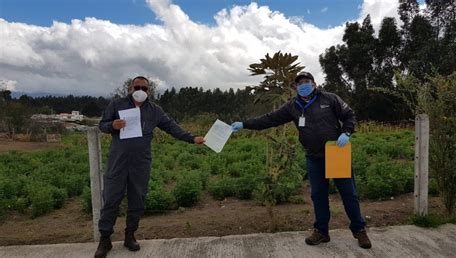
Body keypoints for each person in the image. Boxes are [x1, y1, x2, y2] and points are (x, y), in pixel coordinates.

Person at [231, 71, 371, 249]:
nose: (303, 85)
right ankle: (321, 232)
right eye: (299, 83)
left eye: (306, 81)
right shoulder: (293, 106)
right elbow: (270, 119)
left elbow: (349, 115)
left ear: (314, 83)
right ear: (295, 87)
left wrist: (347, 132)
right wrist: (244, 124)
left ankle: (359, 231)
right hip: (314, 157)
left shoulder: (330, 99)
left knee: (348, 194)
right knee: (318, 196)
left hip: (336, 152)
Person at [94, 76, 205, 258]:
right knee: (111, 199)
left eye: (144, 88)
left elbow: (171, 127)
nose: (140, 90)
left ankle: (130, 235)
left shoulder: (155, 111)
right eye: (137, 87)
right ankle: (105, 239)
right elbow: (102, 125)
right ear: (131, 88)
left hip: (141, 163)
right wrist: (112, 125)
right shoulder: (117, 105)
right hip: (118, 161)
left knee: (137, 199)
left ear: (149, 91)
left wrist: (192, 138)